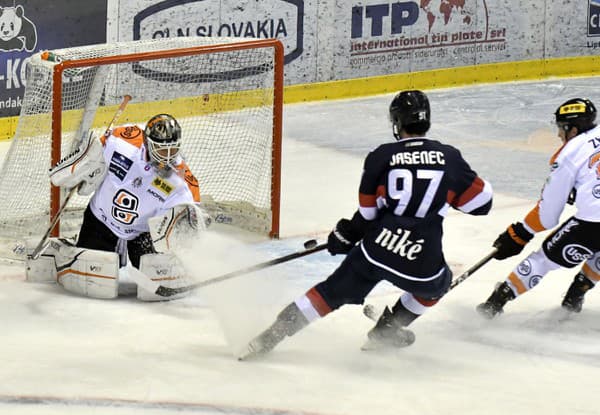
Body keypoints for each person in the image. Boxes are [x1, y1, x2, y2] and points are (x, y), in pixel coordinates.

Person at [239, 90, 493, 359]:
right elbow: (482, 203)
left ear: (397, 123)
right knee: (437, 284)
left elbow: (368, 214)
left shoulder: (381, 156)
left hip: (377, 249)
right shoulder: (450, 157)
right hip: (421, 258)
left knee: (329, 294)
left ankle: (270, 336)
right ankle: (388, 329)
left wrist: (345, 234)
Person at [29, 114, 202, 299]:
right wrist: (86, 162)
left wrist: (183, 236)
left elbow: (186, 227)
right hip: (101, 221)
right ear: (147, 142)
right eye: (161, 150)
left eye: (173, 149)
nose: (167, 158)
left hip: (141, 234)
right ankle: (60, 249)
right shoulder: (121, 141)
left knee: (157, 273)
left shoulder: (183, 184)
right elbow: (95, 153)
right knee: (90, 277)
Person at [477, 98, 599, 318]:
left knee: (544, 260)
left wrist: (519, 234)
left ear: (573, 129)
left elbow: (547, 215)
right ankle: (576, 294)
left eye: (562, 128)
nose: (559, 134)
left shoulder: (569, 156)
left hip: (593, 224)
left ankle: (495, 303)